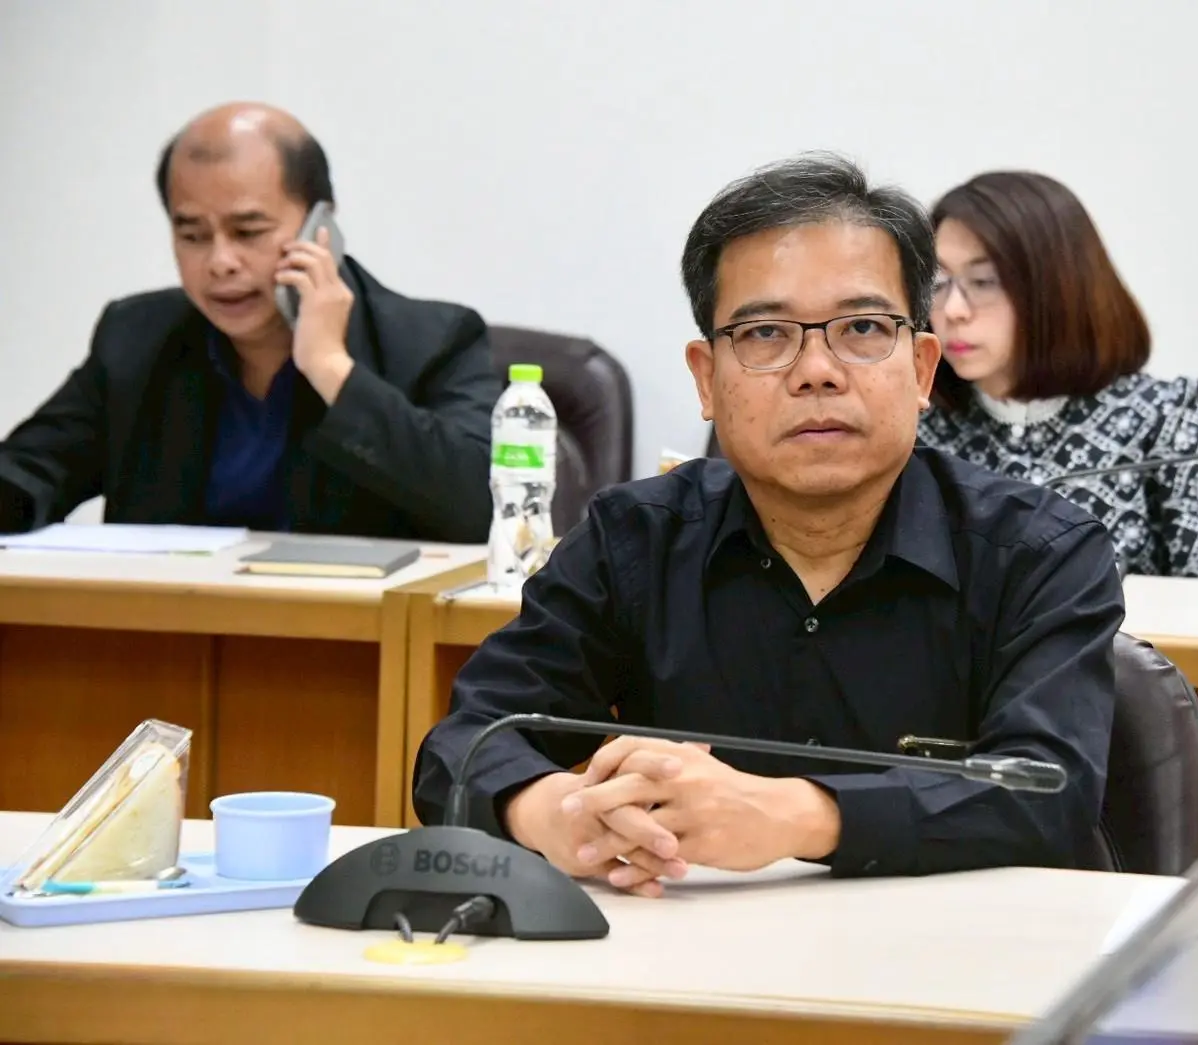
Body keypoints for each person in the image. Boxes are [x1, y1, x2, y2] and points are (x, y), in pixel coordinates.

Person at [413, 154, 1124, 897]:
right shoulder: (634, 539)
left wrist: (796, 816)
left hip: (958, 953)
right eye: (764, 335)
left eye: (861, 327)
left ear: (920, 369)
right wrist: (551, 811)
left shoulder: (1039, 552)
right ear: (706, 378)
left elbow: (1049, 788)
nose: (817, 370)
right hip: (686, 954)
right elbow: (464, 743)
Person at [0, 102, 499, 543]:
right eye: (193, 236)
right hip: (171, 619)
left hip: (347, 621)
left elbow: (483, 510)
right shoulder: (136, 337)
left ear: (321, 227)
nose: (220, 262)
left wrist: (331, 368)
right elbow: (25, 475)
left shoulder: (434, 342)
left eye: (248, 232)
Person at [917, 171, 1198, 583]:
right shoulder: (918, 424)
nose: (953, 310)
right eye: (938, 282)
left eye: (983, 281)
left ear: (1058, 289)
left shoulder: (1159, 417)